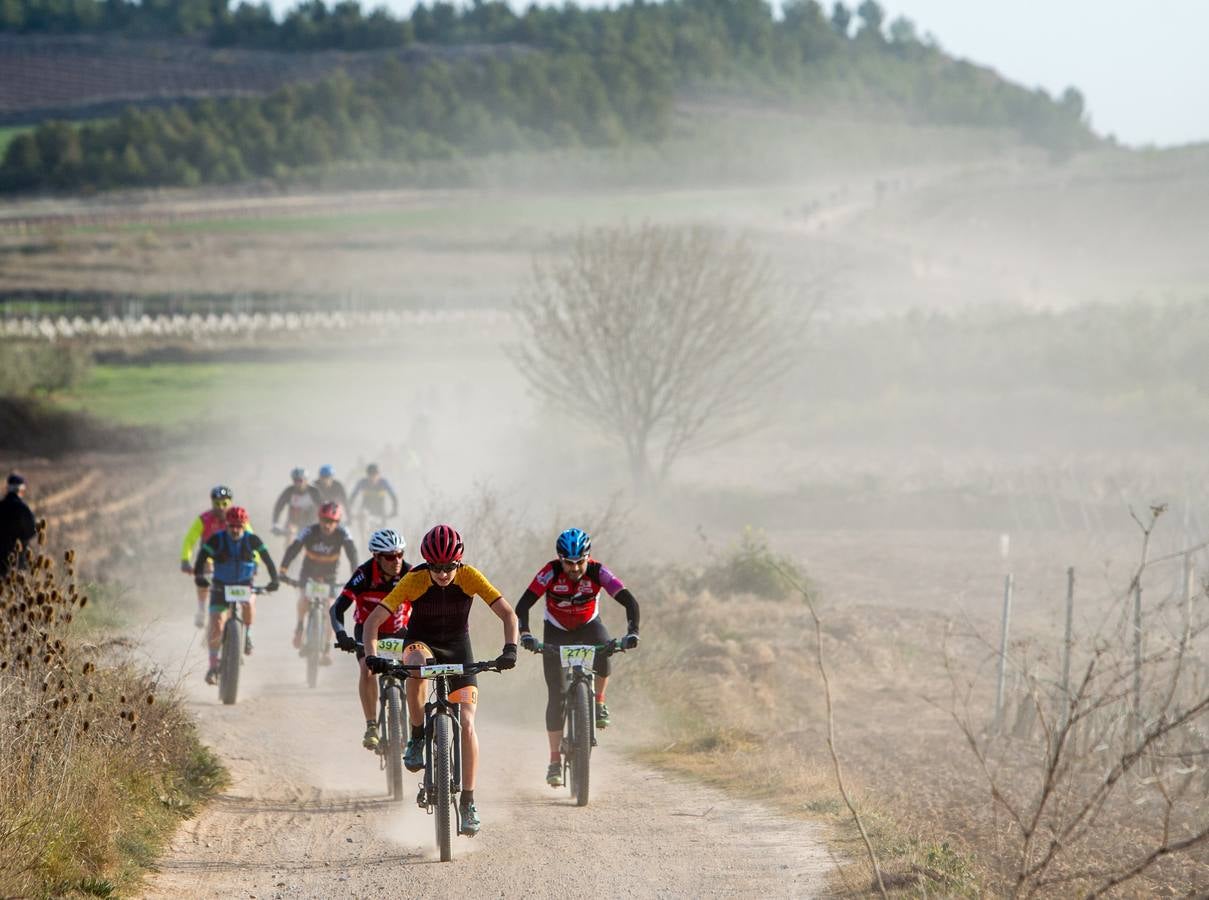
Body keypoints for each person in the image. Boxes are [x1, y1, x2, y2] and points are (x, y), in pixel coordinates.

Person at [364, 524, 518, 836]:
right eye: (436, 568)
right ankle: (418, 735)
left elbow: (508, 614)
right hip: (421, 642)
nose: (443, 574)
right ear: (427, 565)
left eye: (449, 567)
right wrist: (371, 655)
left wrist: (510, 649)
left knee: (468, 723)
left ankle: (469, 802)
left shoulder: (470, 576)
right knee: (416, 663)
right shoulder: (415, 579)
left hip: (459, 648)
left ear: (458, 563)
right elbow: (373, 620)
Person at [515, 527, 640, 788]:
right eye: (569, 563)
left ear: (588, 557)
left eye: (579, 562)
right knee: (557, 694)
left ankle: (599, 702)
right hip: (556, 630)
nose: (574, 568)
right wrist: (525, 634)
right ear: (560, 559)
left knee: (606, 648)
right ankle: (553, 761)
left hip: (588, 625)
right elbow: (523, 605)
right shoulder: (549, 572)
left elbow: (630, 602)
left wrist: (632, 633)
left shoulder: (598, 571)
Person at [331, 528, 411, 750]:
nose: (396, 561)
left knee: (416, 671)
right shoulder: (364, 574)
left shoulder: (409, 573)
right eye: (389, 556)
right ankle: (372, 725)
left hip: (398, 630)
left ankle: (417, 727)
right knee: (367, 669)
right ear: (376, 556)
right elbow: (337, 607)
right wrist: (341, 635)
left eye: (400, 554)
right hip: (368, 632)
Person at [194, 506, 279, 684]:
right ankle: (212, 665)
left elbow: (267, 559)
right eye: (231, 526)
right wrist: (199, 577)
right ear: (227, 525)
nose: (235, 530)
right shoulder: (217, 540)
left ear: (244, 525)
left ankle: (248, 635)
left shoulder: (252, 539)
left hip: (243, 584)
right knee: (216, 622)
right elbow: (201, 557)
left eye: (239, 526)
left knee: (249, 604)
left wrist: (274, 579)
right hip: (220, 585)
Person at [279, 501, 358, 662]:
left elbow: (352, 553)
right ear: (319, 519)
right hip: (308, 574)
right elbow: (294, 548)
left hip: (330, 576)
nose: (327, 525)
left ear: (337, 522)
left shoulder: (343, 533)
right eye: (324, 521)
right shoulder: (309, 531)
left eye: (332, 522)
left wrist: (355, 572)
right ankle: (300, 627)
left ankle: (327, 648)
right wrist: (283, 569)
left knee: (331, 609)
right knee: (304, 599)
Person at [179, 485, 244, 628]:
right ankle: (202, 609)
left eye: (224, 504)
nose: (221, 507)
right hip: (210, 557)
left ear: (230, 503)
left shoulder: (236, 517)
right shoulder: (204, 519)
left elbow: (251, 539)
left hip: (232, 559)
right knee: (205, 571)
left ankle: (239, 618)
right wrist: (185, 559)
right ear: (212, 503)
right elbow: (189, 540)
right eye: (217, 504)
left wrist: (255, 562)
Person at [271, 468, 323, 546]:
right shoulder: (289, 491)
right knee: (289, 543)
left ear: (306, 480)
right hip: (293, 523)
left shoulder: (314, 491)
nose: (298, 484)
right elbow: (278, 507)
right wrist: (275, 523)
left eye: (300, 481)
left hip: (311, 523)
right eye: (295, 481)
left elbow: (323, 508)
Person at [0, 472, 37, 578]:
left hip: (0, 559)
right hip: (19, 559)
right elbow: (32, 530)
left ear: (7, 488)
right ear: (21, 490)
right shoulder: (24, 509)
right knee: (16, 590)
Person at [348, 463, 399, 529]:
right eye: (371, 475)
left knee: (382, 529)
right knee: (363, 519)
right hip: (365, 510)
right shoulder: (363, 482)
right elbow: (353, 496)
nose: (373, 478)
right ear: (367, 475)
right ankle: (363, 538)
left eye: (375, 475)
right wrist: (349, 509)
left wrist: (395, 509)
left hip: (380, 511)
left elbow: (393, 497)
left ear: (379, 475)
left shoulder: (384, 482)